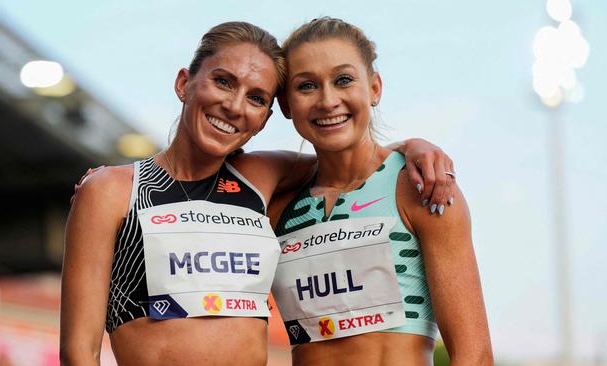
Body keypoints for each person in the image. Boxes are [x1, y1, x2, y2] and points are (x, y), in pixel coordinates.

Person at [60, 21, 455, 365]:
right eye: (223, 81)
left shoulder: (261, 177)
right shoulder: (111, 190)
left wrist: (414, 146)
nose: (234, 106)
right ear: (184, 83)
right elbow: (79, 351)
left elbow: (352, 158)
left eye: (256, 98)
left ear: (266, 118)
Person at [268, 17, 492, 366]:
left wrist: (410, 146)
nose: (328, 100)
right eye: (307, 86)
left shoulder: (421, 188)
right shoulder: (278, 205)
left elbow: (473, 356)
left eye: (343, 80)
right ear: (285, 104)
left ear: (374, 88)